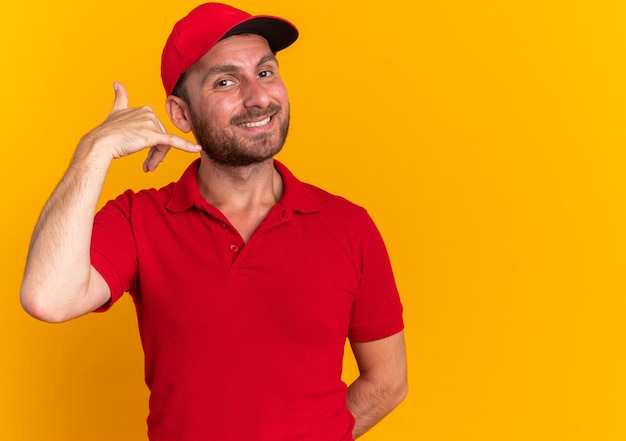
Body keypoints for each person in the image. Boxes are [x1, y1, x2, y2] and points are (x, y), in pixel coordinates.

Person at [20, 3, 407, 440]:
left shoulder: (348, 226)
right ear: (181, 114)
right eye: (226, 81)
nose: (259, 97)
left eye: (265, 72)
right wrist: (94, 151)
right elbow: (47, 298)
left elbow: (388, 381)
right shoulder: (137, 219)